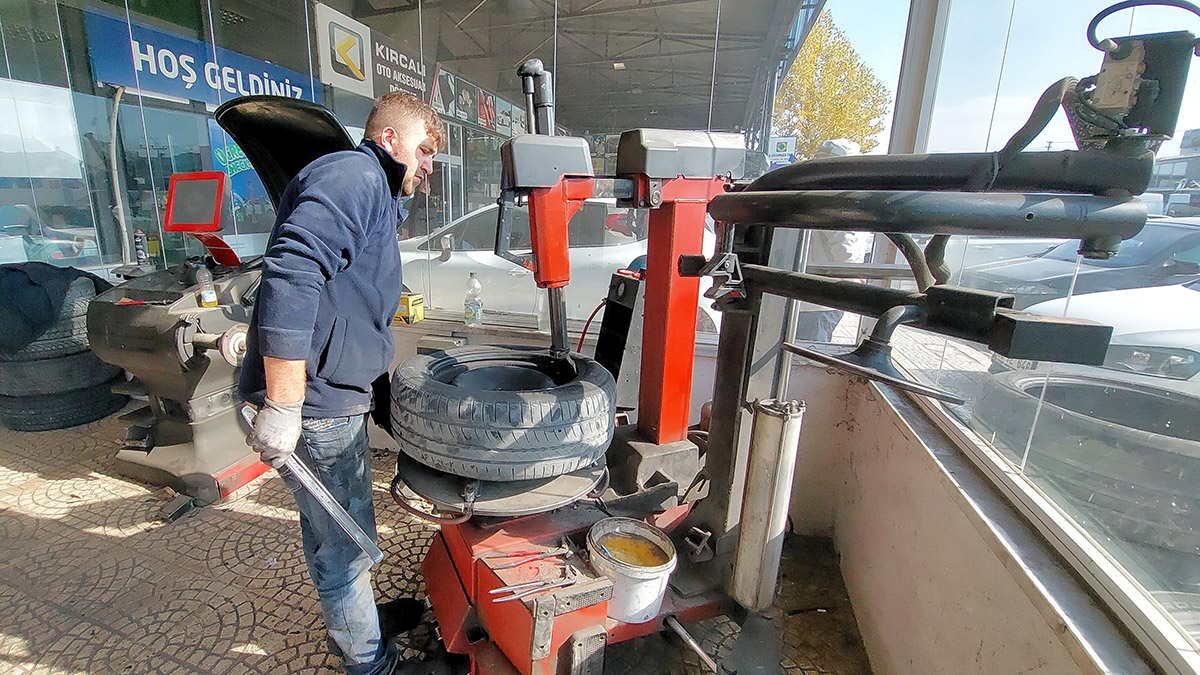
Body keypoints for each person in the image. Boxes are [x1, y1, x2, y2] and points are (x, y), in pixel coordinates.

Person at [239, 91, 444, 675]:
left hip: (331, 395)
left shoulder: (372, 189)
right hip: (318, 406)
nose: (428, 168)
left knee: (334, 531)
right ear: (388, 139)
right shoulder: (355, 175)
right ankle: (370, 662)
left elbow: (337, 287)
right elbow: (292, 271)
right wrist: (283, 403)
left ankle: (360, 623)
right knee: (348, 544)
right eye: (424, 150)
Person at [794, 138, 871, 342]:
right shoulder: (840, 196)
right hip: (822, 298)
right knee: (809, 353)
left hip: (801, 291)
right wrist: (856, 273)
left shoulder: (808, 192)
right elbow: (845, 250)